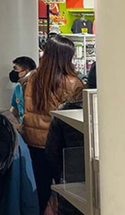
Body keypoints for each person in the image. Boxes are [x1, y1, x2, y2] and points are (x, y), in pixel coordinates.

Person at [23, 36, 84, 214]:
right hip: (60, 148)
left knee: (39, 194)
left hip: (33, 143)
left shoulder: (33, 78)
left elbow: (27, 108)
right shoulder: (73, 83)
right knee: (65, 198)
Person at [45, 99, 83, 215]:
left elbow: (52, 152)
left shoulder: (66, 111)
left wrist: (60, 180)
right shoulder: (113, 111)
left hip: (71, 182)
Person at [10, 56, 37, 124]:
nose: (14, 72)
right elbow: (15, 108)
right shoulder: (18, 86)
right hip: (22, 125)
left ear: (26, 71)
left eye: (16, 70)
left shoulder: (37, 85)